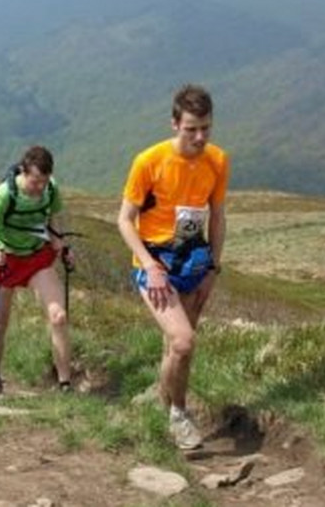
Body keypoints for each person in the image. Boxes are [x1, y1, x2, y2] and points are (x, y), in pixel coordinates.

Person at [117, 84, 229, 450]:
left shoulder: (217, 161)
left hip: (195, 262)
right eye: (191, 128)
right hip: (156, 264)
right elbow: (124, 219)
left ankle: (163, 409)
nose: (199, 137)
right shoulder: (148, 162)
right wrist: (149, 266)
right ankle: (179, 414)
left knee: (177, 349)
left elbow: (217, 215)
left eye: (206, 128)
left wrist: (213, 267)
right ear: (174, 124)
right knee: (183, 342)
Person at [0, 145, 72, 397]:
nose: (39, 187)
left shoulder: (51, 189)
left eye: (44, 181)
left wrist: (58, 241)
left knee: (59, 316)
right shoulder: (4, 194)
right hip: (6, 259)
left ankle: (65, 385)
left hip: (37, 258)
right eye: (34, 181)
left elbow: (50, 220)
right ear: (23, 172)